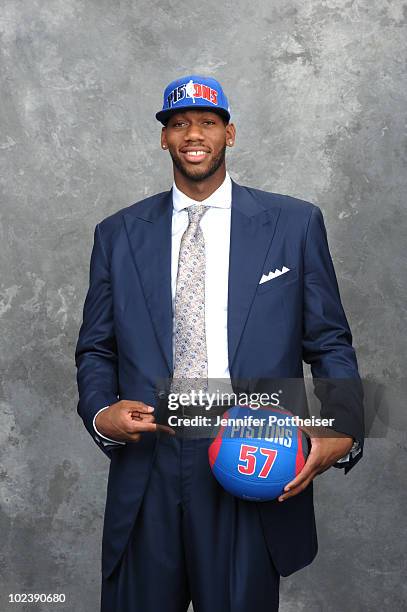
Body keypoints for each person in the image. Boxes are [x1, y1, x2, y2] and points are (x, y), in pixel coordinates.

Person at [75, 74, 364, 612]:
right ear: (164, 138)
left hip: (252, 447)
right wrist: (99, 412)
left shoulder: (293, 224)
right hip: (151, 457)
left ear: (229, 133)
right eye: (179, 123)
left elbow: (328, 339)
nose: (193, 134)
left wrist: (342, 426)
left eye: (207, 122)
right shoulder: (117, 233)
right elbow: (97, 347)